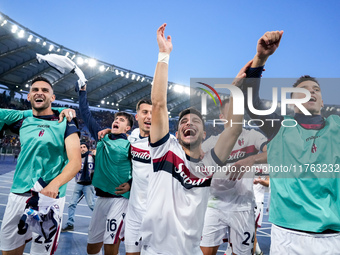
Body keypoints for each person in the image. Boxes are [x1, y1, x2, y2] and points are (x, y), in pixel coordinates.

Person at [139, 23, 247, 255]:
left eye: (196, 121)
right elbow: (158, 104)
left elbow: (234, 130)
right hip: (155, 251)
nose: (189, 123)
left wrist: (236, 91)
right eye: (183, 123)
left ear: (205, 134)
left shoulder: (210, 163)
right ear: (176, 133)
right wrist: (164, 55)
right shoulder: (164, 150)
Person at [243, 31, 340, 254]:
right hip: (288, 236)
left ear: (323, 101)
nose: (311, 93)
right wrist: (260, 60)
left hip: (332, 236)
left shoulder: (336, 126)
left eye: (316, 90)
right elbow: (250, 103)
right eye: (303, 91)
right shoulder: (280, 126)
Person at [0, 76, 81, 255]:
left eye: (45, 91)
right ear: (28, 97)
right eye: (35, 90)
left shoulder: (65, 123)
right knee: (8, 251)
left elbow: (75, 162)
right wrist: (61, 108)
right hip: (18, 194)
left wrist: (55, 184)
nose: (39, 93)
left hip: (48, 199)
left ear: (52, 98)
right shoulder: (20, 119)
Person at [200, 98, 268, 255]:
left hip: (243, 207)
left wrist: (252, 159)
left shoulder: (253, 136)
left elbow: (274, 152)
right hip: (215, 205)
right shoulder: (212, 142)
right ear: (222, 116)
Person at [78, 83, 133, 255]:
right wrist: (82, 92)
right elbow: (86, 115)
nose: (117, 121)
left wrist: (131, 183)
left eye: (122, 120)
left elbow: (141, 169)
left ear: (128, 128)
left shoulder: (131, 145)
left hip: (120, 198)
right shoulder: (102, 137)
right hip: (100, 198)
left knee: (110, 244)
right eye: (116, 119)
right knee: (92, 248)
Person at [98, 98, 153, 255]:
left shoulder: (167, 141)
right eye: (144, 112)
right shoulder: (134, 136)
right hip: (134, 209)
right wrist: (109, 131)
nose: (149, 116)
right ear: (137, 116)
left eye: (152, 113)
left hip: (155, 211)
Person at [62, 142, 95, 232]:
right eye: (80, 147)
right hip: (79, 183)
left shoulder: (92, 156)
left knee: (92, 204)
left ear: (87, 148)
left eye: (84, 147)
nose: (82, 148)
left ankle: (102, 221)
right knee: (72, 203)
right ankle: (70, 224)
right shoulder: (76, 158)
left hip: (89, 184)